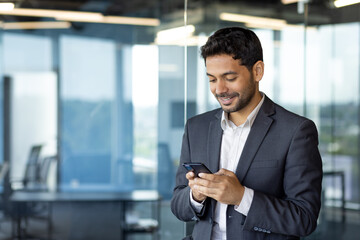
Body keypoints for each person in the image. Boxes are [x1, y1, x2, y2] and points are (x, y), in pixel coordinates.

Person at [171, 27, 323, 240]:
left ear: (257, 71)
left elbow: (304, 218)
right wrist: (196, 195)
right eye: (212, 79)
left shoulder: (296, 131)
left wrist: (241, 197)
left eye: (230, 78)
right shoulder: (196, 127)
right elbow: (178, 206)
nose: (220, 89)